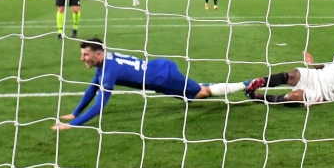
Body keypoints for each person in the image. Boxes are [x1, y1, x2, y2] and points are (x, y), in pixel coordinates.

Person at [53, 38, 246, 129]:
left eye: (85, 54)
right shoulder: (105, 63)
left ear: (98, 54)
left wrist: (73, 124)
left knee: (202, 93)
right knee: (194, 93)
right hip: (160, 72)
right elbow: (92, 89)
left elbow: (99, 106)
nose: (82, 58)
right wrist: (74, 113)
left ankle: (245, 84)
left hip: (164, 77)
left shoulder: (109, 71)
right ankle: (200, 84)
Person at [243, 40, 334, 105]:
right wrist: (312, 63)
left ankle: (261, 98)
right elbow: (327, 66)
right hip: (316, 76)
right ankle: (259, 83)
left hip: (324, 92)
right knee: (292, 74)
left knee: (293, 97)